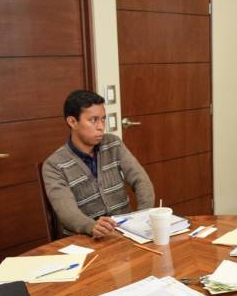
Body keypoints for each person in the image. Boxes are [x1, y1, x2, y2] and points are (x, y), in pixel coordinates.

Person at [43, 90, 154, 238]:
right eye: (93, 120)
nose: (101, 126)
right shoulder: (54, 165)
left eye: (103, 119)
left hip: (124, 232)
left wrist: (143, 216)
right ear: (72, 122)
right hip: (84, 238)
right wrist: (91, 226)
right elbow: (66, 211)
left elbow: (141, 180)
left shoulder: (113, 143)